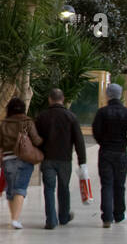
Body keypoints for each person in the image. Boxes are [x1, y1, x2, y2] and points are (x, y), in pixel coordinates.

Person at [0, 96, 43, 230]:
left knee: (11, 190)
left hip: (7, 160)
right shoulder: (28, 122)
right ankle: (15, 219)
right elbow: (36, 140)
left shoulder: (5, 123)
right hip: (24, 159)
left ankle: (13, 218)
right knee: (20, 189)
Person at [34, 88, 87, 230]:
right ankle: (63, 216)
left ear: (50, 99)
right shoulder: (71, 117)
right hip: (64, 159)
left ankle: (51, 220)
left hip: (47, 159)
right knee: (64, 188)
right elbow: (79, 141)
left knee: (49, 189)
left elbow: (35, 138)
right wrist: (82, 162)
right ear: (62, 99)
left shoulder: (42, 117)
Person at [91, 83, 127, 228]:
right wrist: (124, 143)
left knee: (106, 184)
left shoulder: (102, 112)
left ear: (108, 95)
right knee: (120, 184)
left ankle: (107, 217)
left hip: (105, 152)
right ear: (120, 95)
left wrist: (103, 143)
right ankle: (119, 214)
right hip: (121, 152)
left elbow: (96, 131)